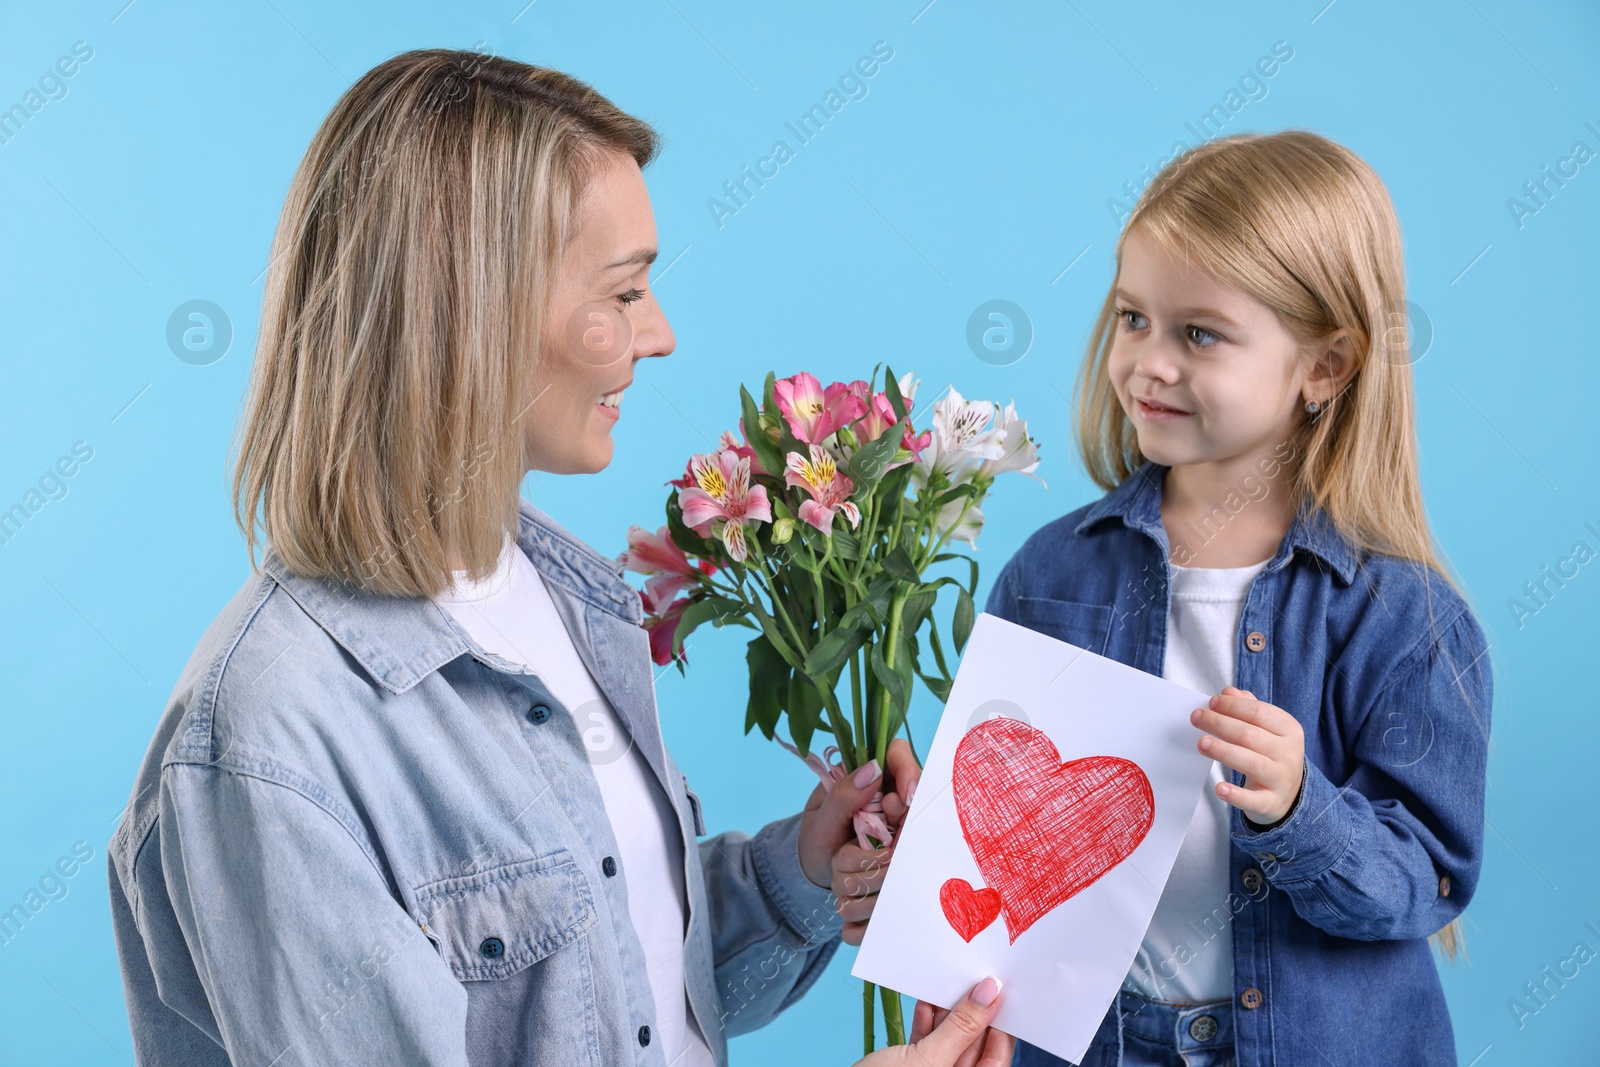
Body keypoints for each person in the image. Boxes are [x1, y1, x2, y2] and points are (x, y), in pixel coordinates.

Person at [104, 48, 1007, 1067]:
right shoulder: (268, 742)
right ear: (469, 313)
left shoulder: (572, 603)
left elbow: (605, 991)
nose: (658, 335)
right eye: (621, 294)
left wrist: (797, 873)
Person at [988, 130, 1492, 1066]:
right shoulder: (1048, 576)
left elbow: (1423, 880)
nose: (1150, 363)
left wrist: (1299, 806)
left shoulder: (1407, 618)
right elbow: (991, 827)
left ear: (1325, 367)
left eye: (1201, 333)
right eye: (1134, 317)